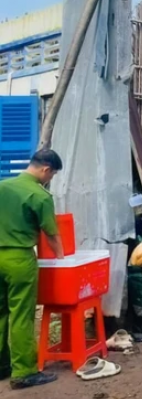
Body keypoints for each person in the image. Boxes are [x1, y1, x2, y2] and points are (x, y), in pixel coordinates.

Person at [0, 149, 64, 389]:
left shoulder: (2, 187)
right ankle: (24, 372)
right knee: (21, 315)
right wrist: (61, 257)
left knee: (0, 313)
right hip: (18, 259)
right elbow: (52, 233)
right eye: (53, 175)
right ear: (46, 170)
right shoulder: (40, 195)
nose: (50, 180)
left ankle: (1, 366)